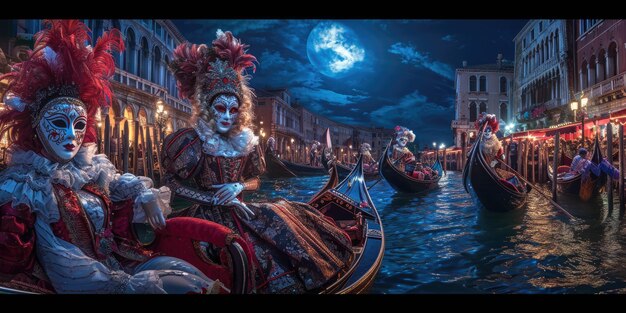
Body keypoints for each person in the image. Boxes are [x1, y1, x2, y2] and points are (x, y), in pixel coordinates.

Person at [0, 20, 224, 294]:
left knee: (185, 271)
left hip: (116, 262)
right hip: (81, 280)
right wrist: (123, 284)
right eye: (59, 123)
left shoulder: (90, 170)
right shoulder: (26, 187)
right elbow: (56, 258)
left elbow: (121, 186)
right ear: (35, 126)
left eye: (80, 124)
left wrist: (146, 196)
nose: (72, 134)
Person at [164, 30, 353, 293]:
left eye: (233, 109)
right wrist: (212, 199)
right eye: (220, 109)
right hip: (206, 215)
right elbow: (170, 183)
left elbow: (255, 179)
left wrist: (238, 188)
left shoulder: (246, 142)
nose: (228, 116)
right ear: (207, 107)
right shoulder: (191, 141)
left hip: (241, 207)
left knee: (286, 214)